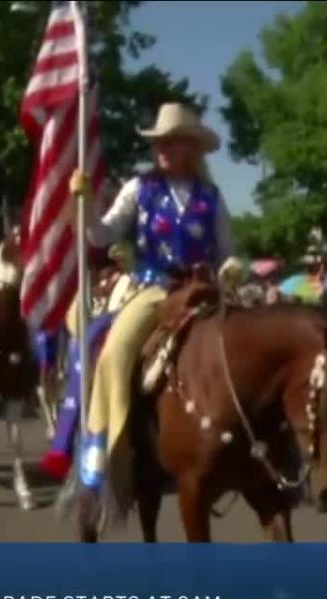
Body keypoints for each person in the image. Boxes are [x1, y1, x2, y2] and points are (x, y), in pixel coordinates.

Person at [72, 102, 237, 490]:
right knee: (114, 354)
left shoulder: (210, 196)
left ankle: (262, 453)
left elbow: (227, 250)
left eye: (171, 141)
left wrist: (231, 267)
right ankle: (111, 446)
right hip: (154, 289)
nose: (161, 148)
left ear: (191, 148)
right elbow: (101, 235)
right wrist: (84, 204)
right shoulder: (139, 188)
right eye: (158, 142)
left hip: (202, 288)